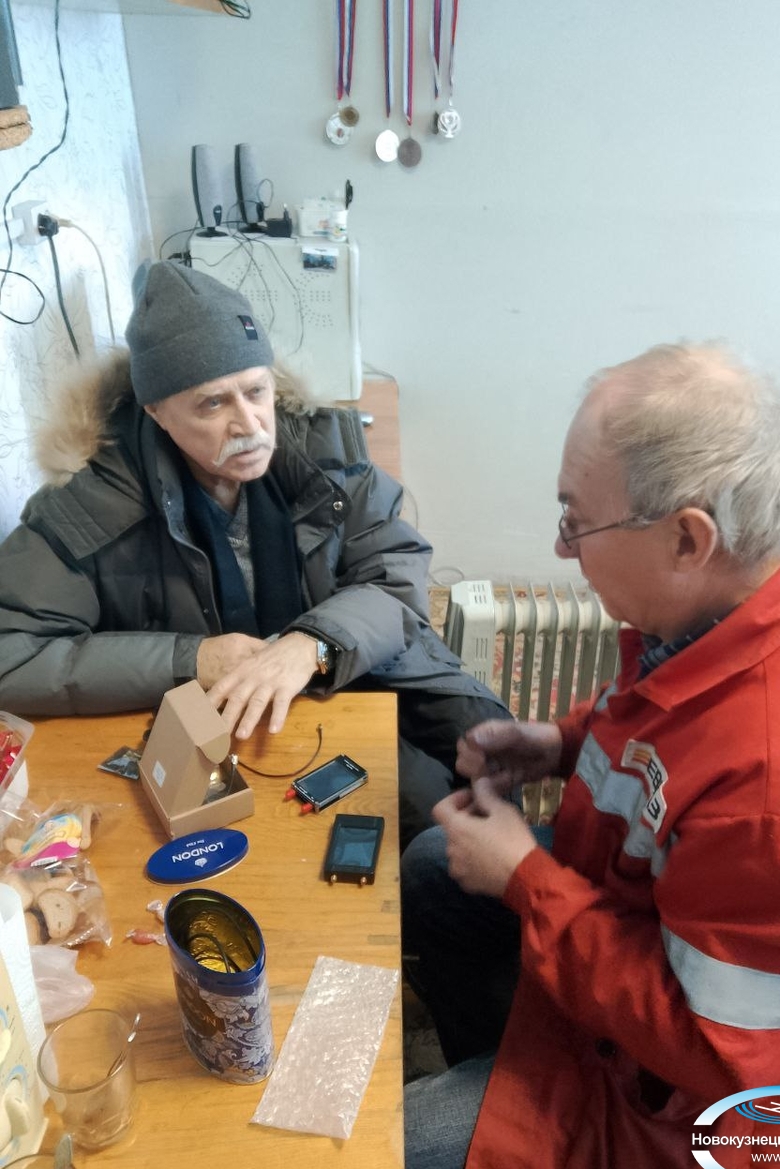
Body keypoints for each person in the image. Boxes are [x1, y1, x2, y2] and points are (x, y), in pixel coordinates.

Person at [402, 342, 780, 1169]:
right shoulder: (757, 596)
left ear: (687, 539)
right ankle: (507, 1069)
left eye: (576, 519)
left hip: (692, 1117)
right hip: (658, 936)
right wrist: (560, 742)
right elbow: (666, 720)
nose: (562, 546)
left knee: (395, 1153)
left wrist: (528, 882)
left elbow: (727, 1060)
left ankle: (518, 1113)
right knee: (432, 871)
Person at [0, 260, 510, 847]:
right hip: (222, 705)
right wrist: (190, 659)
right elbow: (13, 654)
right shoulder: (91, 504)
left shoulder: (321, 452)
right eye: (212, 404)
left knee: (488, 745)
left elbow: (394, 578)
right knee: (422, 812)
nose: (249, 424)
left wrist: (311, 644)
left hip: (343, 661)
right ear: (156, 412)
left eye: (256, 391)